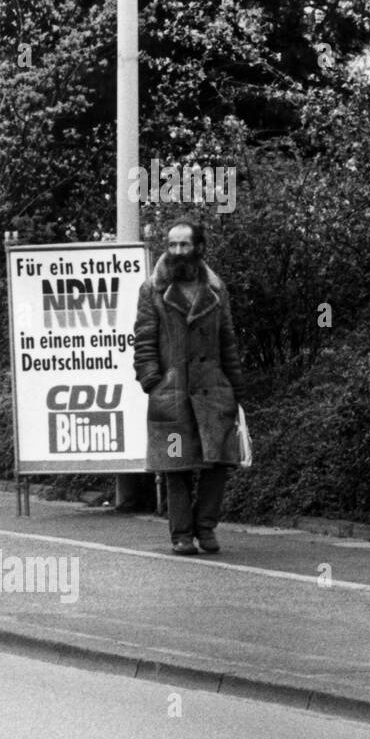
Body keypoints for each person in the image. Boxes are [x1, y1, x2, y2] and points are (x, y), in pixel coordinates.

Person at [133, 220, 245, 555]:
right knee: (176, 466)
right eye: (172, 244)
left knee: (220, 463)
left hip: (214, 391)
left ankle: (206, 528)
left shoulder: (216, 289)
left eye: (184, 244)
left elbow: (227, 340)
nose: (177, 251)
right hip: (172, 393)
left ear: (199, 247)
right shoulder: (151, 290)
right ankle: (181, 534)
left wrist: (235, 387)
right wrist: (153, 379)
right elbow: (144, 339)